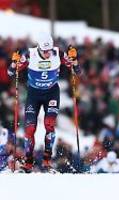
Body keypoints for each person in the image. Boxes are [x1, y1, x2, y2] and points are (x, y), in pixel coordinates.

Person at [8, 33, 81, 173]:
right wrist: (13, 62)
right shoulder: (30, 55)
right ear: (39, 48)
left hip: (51, 93)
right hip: (34, 95)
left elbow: (77, 71)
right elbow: (11, 73)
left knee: (49, 124)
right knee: (29, 128)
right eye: (44, 51)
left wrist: (74, 60)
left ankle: (47, 161)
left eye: (49, 50)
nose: (47, 54)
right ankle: (28, 163)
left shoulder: (58, 53)